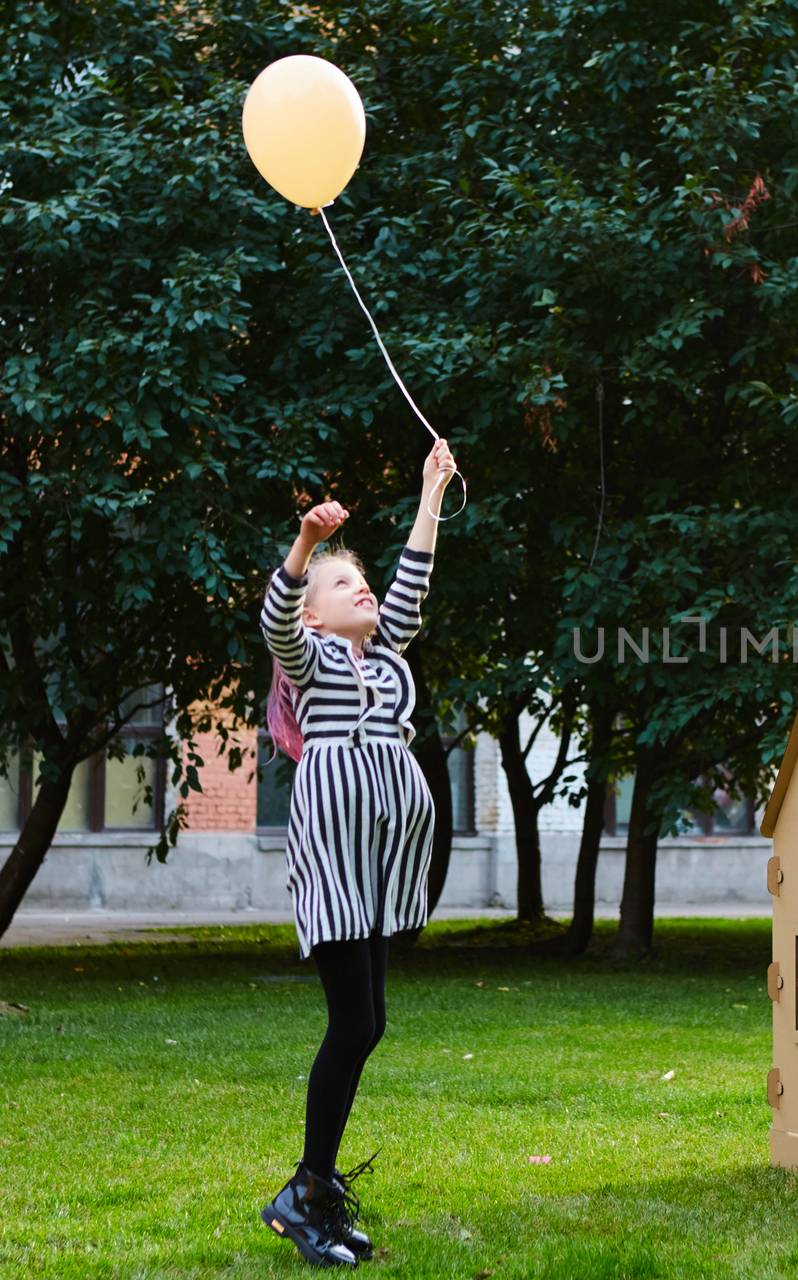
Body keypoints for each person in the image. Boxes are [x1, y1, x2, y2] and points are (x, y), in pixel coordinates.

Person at [256, 438, 455, 1268]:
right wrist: (305, 547)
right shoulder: (313, 662)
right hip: (339, 858)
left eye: (361, 580)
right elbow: (274, 621)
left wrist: (431, 491)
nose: (364, 590)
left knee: (368, 1021)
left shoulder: (386, 659)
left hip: (378, 862)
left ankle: (316, 1189)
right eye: (345, 585)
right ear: (314, 612)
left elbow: (411, 584)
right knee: (353, 1022)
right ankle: (304, 1194)